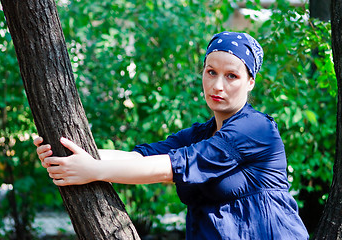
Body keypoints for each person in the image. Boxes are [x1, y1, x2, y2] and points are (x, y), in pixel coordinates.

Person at [34, 31, 309, 239]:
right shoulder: (202, 134)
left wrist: (94, 169)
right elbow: (139, 156)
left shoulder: (256, 129)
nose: (217, 85)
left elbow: (171, 168)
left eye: (232, 76)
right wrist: (65, 154)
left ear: (250, 81)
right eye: (211, 72)